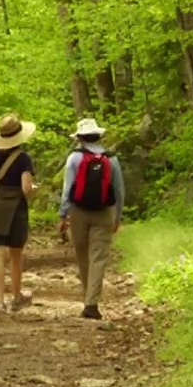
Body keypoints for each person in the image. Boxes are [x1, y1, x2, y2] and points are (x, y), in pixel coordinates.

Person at [58, 118, 125, 320]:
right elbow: (120, 190)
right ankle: (91, 302)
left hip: (78, 211)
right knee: (99, 256)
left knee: (82, 252)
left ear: (79, 138)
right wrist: (117, 216)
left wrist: (63, 215)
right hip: (104, 212)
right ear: (98, 136)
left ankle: (88, 297)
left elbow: (67, 190)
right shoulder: (111, 158)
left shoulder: (74, 159)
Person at [0, 113, 38, 313]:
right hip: (15, 208)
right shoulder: (23, 158)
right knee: (16, 253)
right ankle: (16, 296)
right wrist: (35, 189)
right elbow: (26, 188)